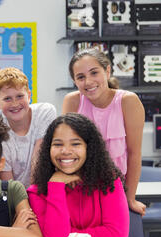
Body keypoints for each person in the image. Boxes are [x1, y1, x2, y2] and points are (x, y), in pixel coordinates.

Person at [62, 48, 146, 218]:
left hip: (116, 189)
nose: (88, 81)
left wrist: (130, 198)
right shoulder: (72, 101)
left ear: (107, 71)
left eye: (94, 73)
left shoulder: (128, 101)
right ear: (75, 81)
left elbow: (134, 154)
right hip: (80, 189)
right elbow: (66, 152)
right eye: (81, 77)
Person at [27, 113, 130, 237]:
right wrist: (56, 185)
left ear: (89, 148)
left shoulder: (108, 181)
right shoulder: (37, 192)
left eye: (75, 144)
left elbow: (116, 236)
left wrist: (68, 235)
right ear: (48, 149)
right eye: (58, 144)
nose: (65, 151)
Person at [0, 67, 56, 188]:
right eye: (7, 98)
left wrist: (33, 198)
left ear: (29, 95)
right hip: (14, 195)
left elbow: (38, 160)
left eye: (20, 96)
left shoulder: (45, 112)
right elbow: (8, 182)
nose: (15, 103)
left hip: (41, 188)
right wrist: (21, 204)